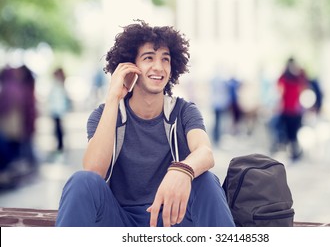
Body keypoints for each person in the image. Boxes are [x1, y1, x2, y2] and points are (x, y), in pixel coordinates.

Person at [55, 21, 235, 227]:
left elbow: (205, 152)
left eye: (165, 60)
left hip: (172, 220)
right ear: (130, 66)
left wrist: (182, 170)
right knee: (81, 181)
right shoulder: (105, 114)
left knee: (206, 181)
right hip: (119, 222)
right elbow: (94, 171)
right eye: (148, 58)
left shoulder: (183, 111)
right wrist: (113, 98)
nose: (158, 67)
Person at [276, 57, 308, 161]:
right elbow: (279, 89)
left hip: (296, 111)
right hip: (286, 110)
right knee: (288, 132)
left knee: (295, 132)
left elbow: (305, 87)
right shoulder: (284, 77)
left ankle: (296, 151)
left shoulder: (299, 76)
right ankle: (292, 151)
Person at [48, 68, 70, 155]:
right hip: (57, 110)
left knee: (58, 129)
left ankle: (60, 145)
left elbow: (57, 100)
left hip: (57, 110)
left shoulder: (58, 85)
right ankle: (59, 145)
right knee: (58, 128)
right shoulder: (60, 85)